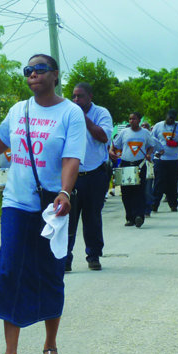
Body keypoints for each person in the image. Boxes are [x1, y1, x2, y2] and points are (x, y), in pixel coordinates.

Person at [0, 53, 85, 354]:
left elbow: (71, 159)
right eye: (28, 70)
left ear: (55, 75)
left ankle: (50, 344)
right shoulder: (18, 110)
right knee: (8, 271)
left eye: (40, 69)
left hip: (52, 208)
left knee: (50, 273)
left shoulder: (70, 113)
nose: (33, 74)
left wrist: (65, 192)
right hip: (16, 203)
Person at [66, 82, 113, 271]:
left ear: (90, 97)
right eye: (74, 96)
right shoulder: (66, 113)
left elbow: (103, 137)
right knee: (68, 218)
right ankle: (65, 259)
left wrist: (83, 118)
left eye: (80, 96)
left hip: (95, 174)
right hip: (73, 175)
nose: (76, 100)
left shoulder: (101, 113)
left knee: (92, 217)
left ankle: (93, 256)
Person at [111, 112, 155, 227]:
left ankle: (139, 216)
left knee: (139, 191)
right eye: (130, 119)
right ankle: (129, 217)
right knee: (126, 192)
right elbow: (115, 145)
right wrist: (111, 152)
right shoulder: (124, 132)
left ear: (139, 120)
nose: (131, 121)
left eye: (134, 119)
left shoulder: (145, 133)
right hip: (126, 164)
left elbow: (151, 146)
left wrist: (149, 154)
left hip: (140, 165)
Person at [151, 109, 178, 212]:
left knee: (172, 182)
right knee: (159, 182)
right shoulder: (158, 126)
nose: (170, 120)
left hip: (174, 159)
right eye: (169, 117)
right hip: (160, 159)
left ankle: (173, 204)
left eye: (173, 118)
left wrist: (177, 144)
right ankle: (154, 204)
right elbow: (151, 139)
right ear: (166, 116)